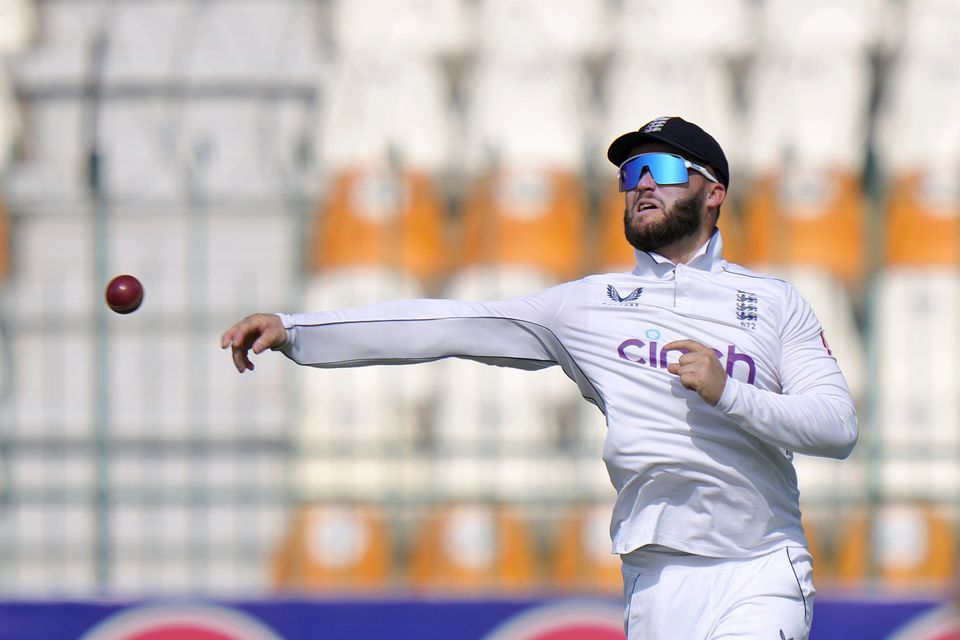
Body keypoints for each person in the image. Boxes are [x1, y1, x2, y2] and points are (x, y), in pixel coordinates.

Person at [221, 116, 858, 640]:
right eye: (629, 175)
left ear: (713, 191)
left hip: (758, 569)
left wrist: (731, 393)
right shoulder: (588, 305)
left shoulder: (774, 303)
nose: (639, 186)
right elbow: (447, 324)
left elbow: (837, 428)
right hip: (656, 581)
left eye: (659, 171)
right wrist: (296, 329)